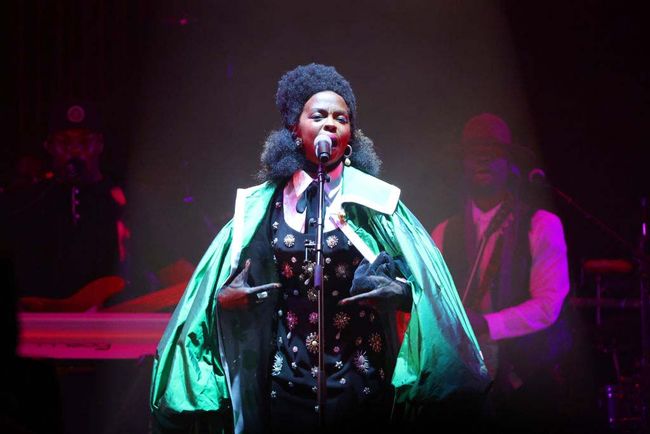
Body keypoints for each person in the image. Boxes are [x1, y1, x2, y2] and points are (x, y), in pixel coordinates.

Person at [150, 63, 491, 434]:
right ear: (295, 130)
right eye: (318, 115)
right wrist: (225, 301)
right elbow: (210, 291)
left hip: (361, 381)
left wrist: (403, 292)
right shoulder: (260, 208)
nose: (330, 123)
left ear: (350, 135)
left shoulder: (376, 203)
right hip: (286, 382)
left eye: (340, 118)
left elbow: (430, 288)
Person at [431, 113, 571, 433]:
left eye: (491, 151)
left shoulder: (542, 225)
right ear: (463, 164)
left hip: (529, 384)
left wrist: (486, 325)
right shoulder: (442, 232)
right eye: (474, 152)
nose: (482, 159)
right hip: (466, 385)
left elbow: (549, 305)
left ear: (509, 163)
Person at [4, 100, 129, 309]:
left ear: (99, 145)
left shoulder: (120, 198)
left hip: (108, 322)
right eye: (64, 143)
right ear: (49, 147)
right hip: (42, 323)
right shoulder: (29, 200)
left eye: (84, 142)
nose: (75, 151)